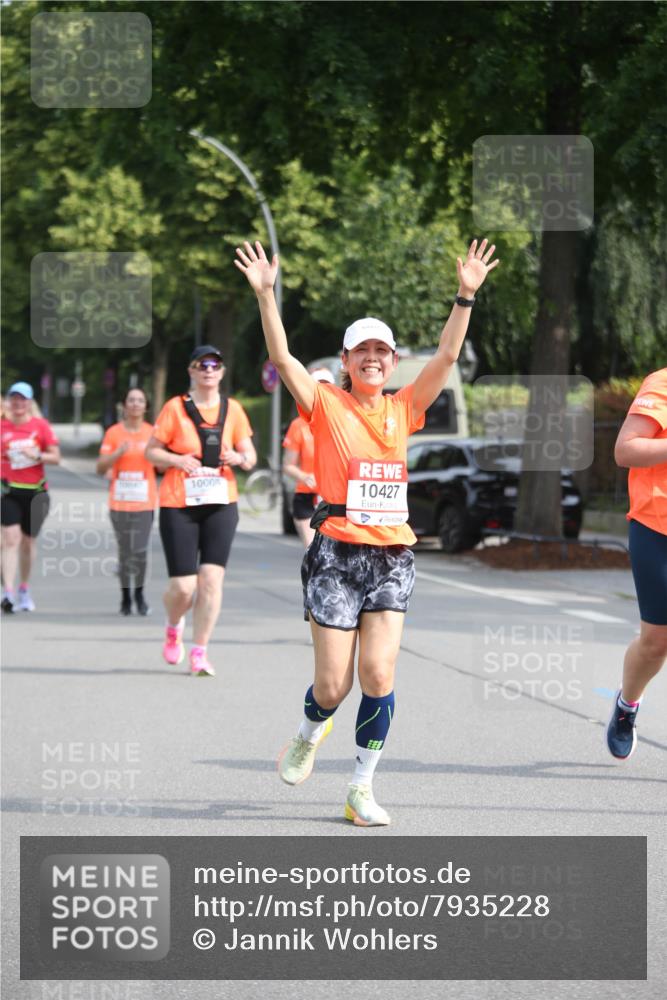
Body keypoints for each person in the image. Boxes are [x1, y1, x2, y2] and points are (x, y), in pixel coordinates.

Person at [235, 237, 498, 825]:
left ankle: (360, 788)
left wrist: (465, 295)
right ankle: (308, 731)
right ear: (348, 360)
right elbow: (282, 360)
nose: (373, 358)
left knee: (378, 674)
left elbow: (448, 359)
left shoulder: (405, 408)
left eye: (382, 350)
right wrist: (266, 294)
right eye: (362, 351)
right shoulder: (325, 404)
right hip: (335, 555)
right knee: (332, 686)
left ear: (392, 359)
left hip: (391, 558)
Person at [145, 345, 257, 677]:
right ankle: (173, 623)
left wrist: (239, 458)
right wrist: (177, 460)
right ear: (192, 371)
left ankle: (200, 650)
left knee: (211, 579)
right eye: (202, 365)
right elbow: (152, 452)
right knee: (184, 586)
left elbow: (249, 457)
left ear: (222, 372)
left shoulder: (233, 410)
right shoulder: (175, 408)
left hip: (221, 502)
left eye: (216, 365)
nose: (209, 370)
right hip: (179, 503)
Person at [607, 367, 667, 759]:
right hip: (657, 526)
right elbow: (625, 450)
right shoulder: (662, 384)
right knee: (657, 641)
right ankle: (628, 705)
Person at [96, 387, 159, 616]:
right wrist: (117, 454)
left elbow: (162, 465)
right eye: (131, 400)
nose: (135, 404)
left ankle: (140, 595)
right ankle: (125, 598)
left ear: (146, 406)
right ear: (124, 405)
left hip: (145, 502)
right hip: (119, 503)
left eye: (140, 400)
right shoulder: (114, 433)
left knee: (140, 551)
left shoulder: (153, 433)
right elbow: (100, 467)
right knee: (125, 552)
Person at [1, 381, 60, 613]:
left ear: (29, 402)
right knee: (10, 537)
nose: (18, 403)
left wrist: (37, 455)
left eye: (22, 399)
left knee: (28, 542)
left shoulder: (40, 426)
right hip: (7, 491)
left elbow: (56, 457)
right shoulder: (2, 427)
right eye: (14, 398)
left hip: (36, 493)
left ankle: (24, 587)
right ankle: (8, 592)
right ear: (9, 401)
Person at [282, 368, 335, 547]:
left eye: (326, 386)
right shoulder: (298, 426)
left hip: (334, 498)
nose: (322, 391)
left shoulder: (343, 421)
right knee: (312, 551)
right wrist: (305, 476)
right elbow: (288, 465)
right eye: (317, 386)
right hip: (306, 496)